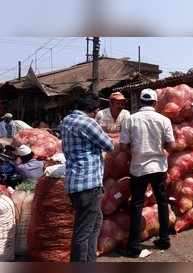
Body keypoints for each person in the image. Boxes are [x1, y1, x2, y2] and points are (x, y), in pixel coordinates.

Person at [120, 88, 175, 257]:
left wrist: (134, 152)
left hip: (138, 167)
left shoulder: (131, 119)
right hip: (158, 167)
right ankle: (164, 239)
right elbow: (171, 145)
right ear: (155, 102)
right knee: (162, 202)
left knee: (137, 205)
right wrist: (160, 149)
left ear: (140, 102)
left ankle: (134, 246)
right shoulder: (164, 120)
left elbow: (122, 146)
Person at [61, 97, 114, 263]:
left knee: (95, 222)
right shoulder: (88, 123)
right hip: (88, 184)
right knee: (83, 231)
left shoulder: (66, 121)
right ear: (95, 110)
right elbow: (109, 146)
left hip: (74, 183)